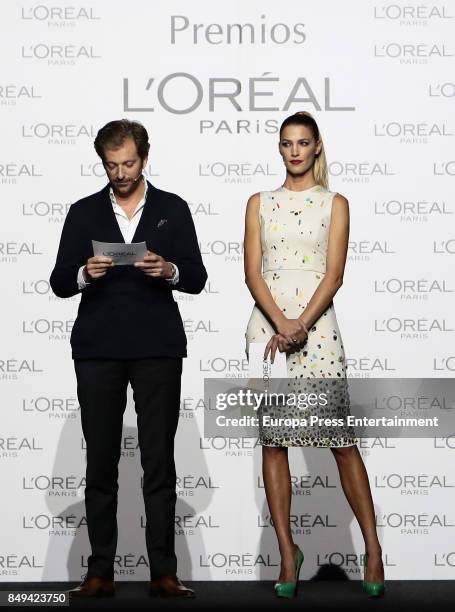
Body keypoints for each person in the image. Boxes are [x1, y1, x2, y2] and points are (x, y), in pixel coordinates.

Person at [50, 119, 207, 598]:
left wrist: (168, 269)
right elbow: (59, 281)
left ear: (145, 158)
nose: (120, 173)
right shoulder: (82, 212)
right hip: (97, 350)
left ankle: (164, 571)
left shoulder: (172, 209)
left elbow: (197, 277)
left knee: (159, 463)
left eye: (129, 163)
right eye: (112, 165)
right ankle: (100, 572)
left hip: (157, 347)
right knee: (100, 464)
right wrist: (84, 272)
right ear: (103, 163)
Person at [244, 112, 385, 598]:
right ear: (279, 149)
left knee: (341, 442)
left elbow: (334, 274)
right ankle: (288, 552)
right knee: (274, 443)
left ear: (317, 147)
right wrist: (281, 323)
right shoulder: (259, 203)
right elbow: (253, 273)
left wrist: (301, 322)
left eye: (303, 143)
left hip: (318, 330)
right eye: (287, 144)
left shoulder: (335, 204)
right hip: (268, 331)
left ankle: (372, 548)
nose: (295, 151)